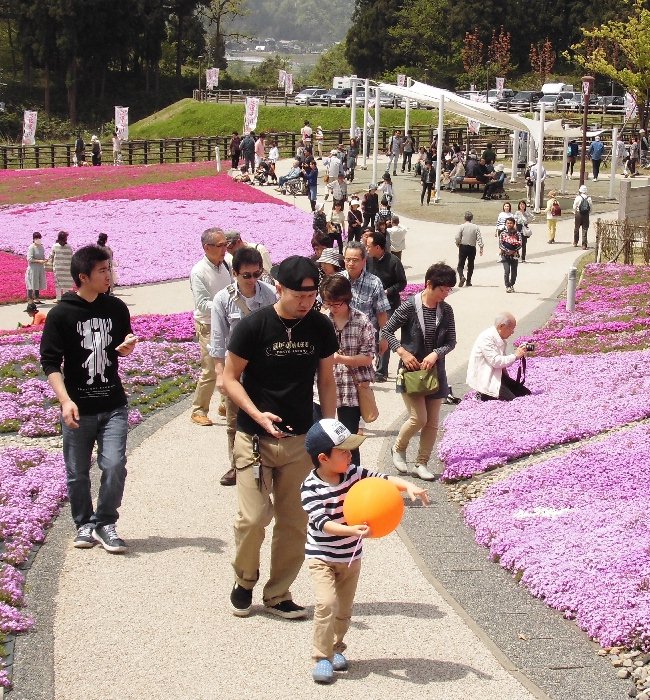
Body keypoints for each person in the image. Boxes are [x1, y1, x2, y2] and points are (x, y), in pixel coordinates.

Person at [223, 256, 338, 619]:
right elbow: (229, 379)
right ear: (279, 288)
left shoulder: (320, 327)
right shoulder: (253, 327)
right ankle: (245, 579)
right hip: (254, 438)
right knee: (253, 519)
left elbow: (327, 379)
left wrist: (330, 430)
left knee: (295, 521)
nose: (306, 302)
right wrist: (256, 414)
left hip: (300, 440)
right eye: (299, 294)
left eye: (311, 294)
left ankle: (278, 593)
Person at [301, 418, 429, 684]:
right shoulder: (310, 487)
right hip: (322, 557)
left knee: (344, 610)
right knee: (326, 604)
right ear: (323, 458)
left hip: (350, 557)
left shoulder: (353, 473)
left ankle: (336, 647)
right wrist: (352, 530)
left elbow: (382, 480)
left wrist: (407, 486)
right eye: (344, 451)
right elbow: (322, 524)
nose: (350, 455)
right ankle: (321, 657)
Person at [40, 245, 138, 552]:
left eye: (109, 269)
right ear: (83, 276)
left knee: (114, 465)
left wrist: (128, 346)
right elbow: (51, 363)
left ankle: (105, 522)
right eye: (103, 271)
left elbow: (124, 339)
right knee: (77, 473)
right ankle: (84, 523)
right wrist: (65, 400)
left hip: (113, 404)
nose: (109, 275)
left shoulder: (116, 308)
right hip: (78, 408)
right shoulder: (61, 314)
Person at [381, 263, 457, 481]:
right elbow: (387, 329)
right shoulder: (409, 306)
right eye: (442, 289)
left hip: (435, 373)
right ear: (429, 284)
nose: (445, 294)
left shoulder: (446, 310)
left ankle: (421, 463)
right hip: (412, 371)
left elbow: (451, 341)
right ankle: (398, 448)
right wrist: (402, 352)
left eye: (448, 290)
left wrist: (436, 354)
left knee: (432, 422)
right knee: (418, 418)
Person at [210, 247, 277, 487]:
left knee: (267, 415)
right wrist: (220, 375)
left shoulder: (270, 295)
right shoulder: (223, 299)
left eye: (256, 274)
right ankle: (237, 464)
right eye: (246, 275)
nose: (251, 280)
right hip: (235, 369)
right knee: (234, 420)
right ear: (235, 273)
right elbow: (218, 342)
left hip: (266, 367)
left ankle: (269, 462)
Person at [314, 277, 374, 462]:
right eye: (328, 303)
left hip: (351, 390)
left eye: (337, 303)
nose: (332, 308)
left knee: (349, 442)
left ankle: (353, 479)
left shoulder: (361, 321)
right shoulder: (321, 320)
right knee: (321, 439)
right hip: (321, 388)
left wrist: (339, 358)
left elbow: (368, 357)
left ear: (347, 298)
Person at [189, 228, 232, 427]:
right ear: (207, 248)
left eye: (226, 244)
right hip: (207, 324)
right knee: (210, 369)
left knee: (230, 364)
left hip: (227, 321)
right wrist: (224, 306)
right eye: (220, 245)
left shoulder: (227, 264)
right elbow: (202, 303)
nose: (225, 248)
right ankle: (199, 410)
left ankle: (225, 404)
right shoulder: (198, 271)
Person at [365, 232, 406, 382]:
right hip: (372, 305)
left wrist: (387, 291)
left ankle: (382, 371)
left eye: (368, 246)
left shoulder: (394, 261)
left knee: (385, 334)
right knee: (373, 335)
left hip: (389, 305)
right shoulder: (368, 261)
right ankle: (374, 365)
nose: (366, 248)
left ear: (378, 247)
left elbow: (402, 283)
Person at [466, 312, 532, 401]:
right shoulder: (486, 338)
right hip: (487, 379)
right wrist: (516, 355)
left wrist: (517, 355)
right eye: (511, 329)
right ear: (501, 326)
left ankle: (487, 395)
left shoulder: (499, 338)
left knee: (526, 394)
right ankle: (482, 395)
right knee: (512, 400)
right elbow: (496, 361)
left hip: (498, 376)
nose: (512, 332)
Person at [341, 242, 390, 356]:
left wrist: (385, 338)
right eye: (348, 259)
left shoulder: (374, 282)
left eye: (355, 260)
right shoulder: (337, 280)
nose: (351, 263)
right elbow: (324, 306)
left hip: (364, 341)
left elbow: (381, 313)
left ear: (364, 261)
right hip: (340, 340)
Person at [455, 211, 483, 287]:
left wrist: (458, 243)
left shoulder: (462, 226)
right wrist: (481, 247)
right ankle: (468, 281)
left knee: (460, 264)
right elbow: (479, 238)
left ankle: (461, 276)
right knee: (471, 264)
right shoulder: (475, 227)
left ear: (464, 218)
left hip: (463, 246)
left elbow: (457, 237)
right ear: (472, 218)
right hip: (472, 247)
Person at [48, 231, 74, 301]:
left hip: (58, 269)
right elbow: (72, 257)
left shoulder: (55, 246)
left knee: (58, 284)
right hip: (67, 269)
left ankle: (58, 298)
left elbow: (51, 256)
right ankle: (66, 298)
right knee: (66, 284)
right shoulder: (69, 247)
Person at [498, 217, 522, 293]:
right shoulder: (503, 233)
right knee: (507, 271)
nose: (509, 224)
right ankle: (507, 286)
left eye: (511, 223)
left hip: (514, 255)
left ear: (513, 224)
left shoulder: (517, 233)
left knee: (514, 272)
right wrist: (507, 251)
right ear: (505, 224)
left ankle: (512, 284)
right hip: (505, 255)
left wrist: (514, 251)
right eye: (508, 223)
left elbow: (520, 244)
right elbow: (500, 244)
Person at [25, 231, 47, 303]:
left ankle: (37, 298)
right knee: (31, 284)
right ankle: (30, 299)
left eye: (39, 238)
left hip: (40, 268)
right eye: (37, 238)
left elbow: (43, 256)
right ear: (34, 239)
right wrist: (39, 261)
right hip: (33, 268)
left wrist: (45, 260)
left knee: (38, 283)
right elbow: (29, 259)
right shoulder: (31, 247)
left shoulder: (41, 247)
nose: (38, 239)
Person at [572, 184, 592, 249]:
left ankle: (575, 242)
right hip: (586, 215)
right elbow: (591, 208)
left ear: (580, 190)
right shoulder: (589, 198)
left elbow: (574, 206)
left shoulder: (578, 197)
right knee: (585, 229)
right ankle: (584, 244)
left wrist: (575, 212)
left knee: (576, 228)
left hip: (578, 214)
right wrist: (588, 212)